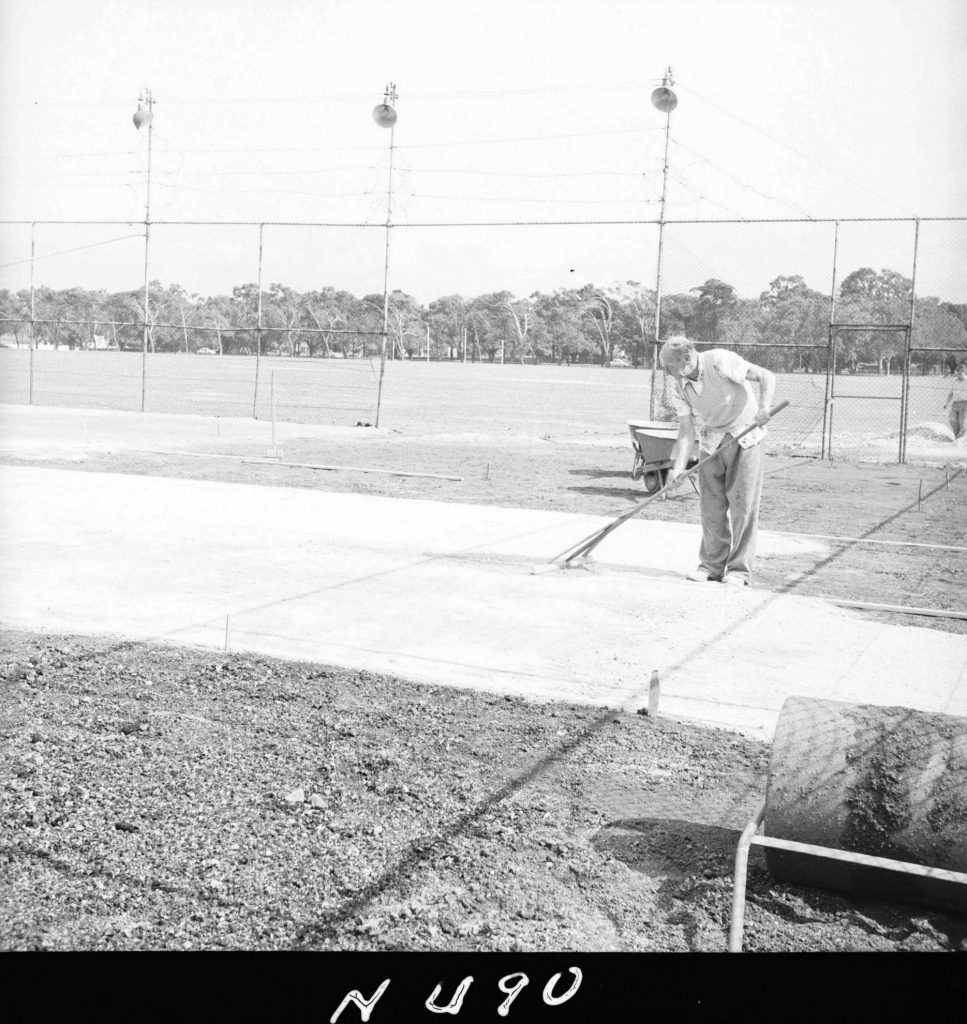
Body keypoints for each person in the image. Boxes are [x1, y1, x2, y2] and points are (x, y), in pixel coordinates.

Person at [659, 336, 777, 586]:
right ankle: (711, 566)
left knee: (743, 506)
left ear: (686, 359)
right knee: (711, 508)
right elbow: (685, 431)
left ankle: (739, 570)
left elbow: (767, 376)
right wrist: (678, 469)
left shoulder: (720, 361)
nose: (668, 373)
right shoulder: (679, 386)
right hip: (713, 442)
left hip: (745, 436)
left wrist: (764, 407)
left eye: (669, 367)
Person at [943, 365, 967, 441]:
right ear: (957, 372)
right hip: (955, 404)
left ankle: (959, 441)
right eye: (959, 372)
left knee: (961, 424)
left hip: (964, 404)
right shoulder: (954, 381)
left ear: (965, 372)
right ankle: (957, 438)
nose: (960, 373)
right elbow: (951, 393)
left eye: (962, 372)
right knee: (951, 420)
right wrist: (946, 403)